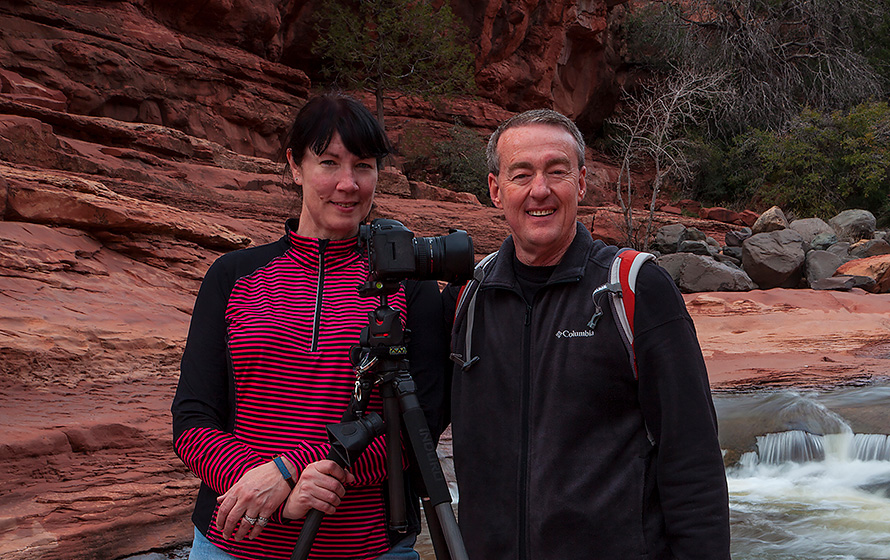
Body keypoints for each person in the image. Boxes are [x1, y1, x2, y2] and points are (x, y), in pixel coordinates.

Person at [444, 109, 731, 559]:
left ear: (580, 182)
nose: (540, 190)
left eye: (556, 171)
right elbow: (410, 427)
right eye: (522, 174)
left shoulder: (633, 289)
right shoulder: (468, 298)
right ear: (496, 191)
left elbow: (692, 460)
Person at [172, 93, 448, 560]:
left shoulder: (409, 288)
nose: (348, 184)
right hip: (232, 545)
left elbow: (416, 433)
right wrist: (258, 484)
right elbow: (193, 420)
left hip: (367, 548)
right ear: (294, 166)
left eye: (363, 165)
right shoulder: (233, 276)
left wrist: (287, 470)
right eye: (328, 162)